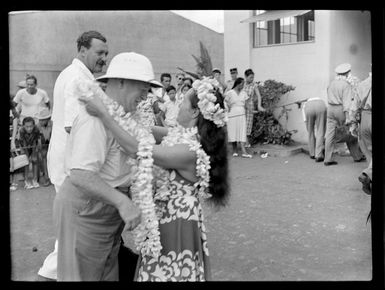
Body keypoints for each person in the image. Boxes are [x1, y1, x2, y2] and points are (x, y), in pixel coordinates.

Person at [80, 77, 229, 281]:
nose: (177, 106)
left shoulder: (191, 150)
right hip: (168, 218)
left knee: (171, 274)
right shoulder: (180, 135)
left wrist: (104, 115)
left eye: (182, 102)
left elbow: (137, 149)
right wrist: (112, 104)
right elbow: (143, 131)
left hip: (177, 222)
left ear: (195, 112)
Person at [53, 52, 163, 281]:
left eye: (148, 88)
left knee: (106, 272)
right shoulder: (94, 117)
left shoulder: (126, 116)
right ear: (120, 81)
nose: (146, 94)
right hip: (87, 209)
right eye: (142, 86)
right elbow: (81, 175)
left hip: (108, 209)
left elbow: (138, 147)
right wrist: (123, 201)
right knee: (84, 275)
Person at [37, 30, 109, 281]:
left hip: (65, 160)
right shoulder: (79, 78)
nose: (104, 58)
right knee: (73, 231)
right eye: (99, 53)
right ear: (82, 50)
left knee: (73, 230)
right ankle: (48, 275)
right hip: (71, 164)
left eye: (106, 54)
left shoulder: (71, 73)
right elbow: (73, 125)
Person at [324, 63, 365, 166]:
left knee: (329, 134)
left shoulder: (332, 83)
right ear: (347, 73)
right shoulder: (345, 85)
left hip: (330, 108)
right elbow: (347, 103)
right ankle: (357, 156)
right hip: (340, 109)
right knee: (350, 132)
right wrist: (348, 117)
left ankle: (327, 159)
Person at [354, 70, 372, 194]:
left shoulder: (362, 84)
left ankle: (369, 179)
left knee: (369, 151)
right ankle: (368, 174)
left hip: (364, 118)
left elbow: (354, 106)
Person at [225, 77, 252, 158]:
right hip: (232, 114)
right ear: (238, 84)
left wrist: (252, 111)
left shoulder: (244, 93)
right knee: (233, 132)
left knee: (242, 131)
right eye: (242, 84)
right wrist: (228, 107)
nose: (243, 85)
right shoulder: (230, 92)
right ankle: (235, 150)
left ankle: (244, 151)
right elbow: (225, 102)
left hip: (241, 114)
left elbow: (247, 105)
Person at [243, 69, 266, 147]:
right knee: (241, 124)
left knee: (247, 125)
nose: (252, 79)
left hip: (250, 107)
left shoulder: (254, 85)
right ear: (245, 77)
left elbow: (259, 96)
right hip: (242, 107)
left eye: (253, 77)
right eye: (250, 77)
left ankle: (245, 142)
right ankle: (245, 143)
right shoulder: (241, 84)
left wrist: (259, 106)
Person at [18, 117, 42, 189]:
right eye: (27, 127)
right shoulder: (21, 130)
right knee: (26, 163)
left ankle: (35, 180)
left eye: (31, 126)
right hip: (24, 146)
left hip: (33, 145)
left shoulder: (36, 130)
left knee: (35, 160)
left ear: (34, 125)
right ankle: (26, 181)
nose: (29, 128)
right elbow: (23, 143)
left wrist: (34, 154)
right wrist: (26, 156)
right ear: (23, 126)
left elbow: (35, 141)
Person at [36, 108, 52, 186]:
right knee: (44, 158)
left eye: (42, 120)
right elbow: (37, 137)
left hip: (51, 144)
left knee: (52, 159)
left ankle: (53, 176)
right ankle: (46, 177)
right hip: (43, 145)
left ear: (47, 119)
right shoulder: (37, 126)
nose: (40, 121)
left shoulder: (52, 124)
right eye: (40, 120)